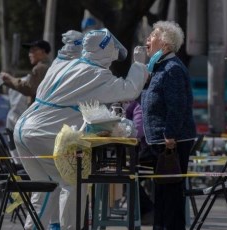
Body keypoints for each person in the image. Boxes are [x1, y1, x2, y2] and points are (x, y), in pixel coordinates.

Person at [13, 28, 148, 229]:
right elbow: (130, 89)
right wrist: (139, 64)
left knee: (45, 188)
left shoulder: (68, 65)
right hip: (43, 133)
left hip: (23, 130)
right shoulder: (96, 74)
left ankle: (49, 226)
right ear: (106, 50)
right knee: (73, 183)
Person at [141, 21, 196, 230]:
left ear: (165, 45)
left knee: (171, 195)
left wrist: (170, 134)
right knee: (162, 194)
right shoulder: (157, 67)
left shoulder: (172, 68)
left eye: (152, 36)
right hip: (158, 139)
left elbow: (178, 105)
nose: (147, 40)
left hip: (171, 141)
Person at [0, 40, 51, 104]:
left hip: (39, 108)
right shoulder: (52, 65)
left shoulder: (39, 68)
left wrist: (9, 78)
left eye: (33, 50)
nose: (30, 54)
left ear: (43, 51)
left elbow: (28, 89)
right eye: (29, 51)